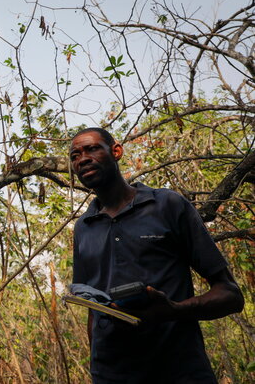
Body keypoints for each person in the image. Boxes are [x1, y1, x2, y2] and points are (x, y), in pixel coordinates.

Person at [69, 127, 244, 384]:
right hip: (112, 374)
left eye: (92, 149)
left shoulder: (166, 205)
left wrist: (173, 310)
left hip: (180, 369)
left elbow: (230, 295)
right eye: (75, 155)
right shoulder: (84, 227)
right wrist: (97, 366)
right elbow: (91, 309)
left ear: (116, 151)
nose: (82, 159)